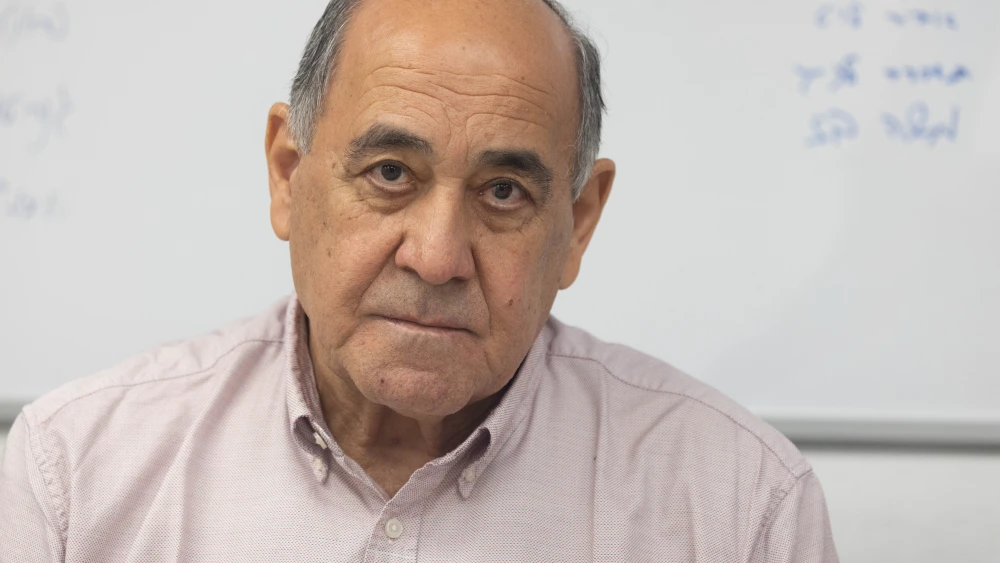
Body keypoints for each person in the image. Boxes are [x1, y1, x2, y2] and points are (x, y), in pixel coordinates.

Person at [0, 0, 839, 560]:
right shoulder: (75, 476)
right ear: (288, 174)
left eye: (503, 192)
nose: (437, 257)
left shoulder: (738, 506)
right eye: (391, 173)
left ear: (577, 224)